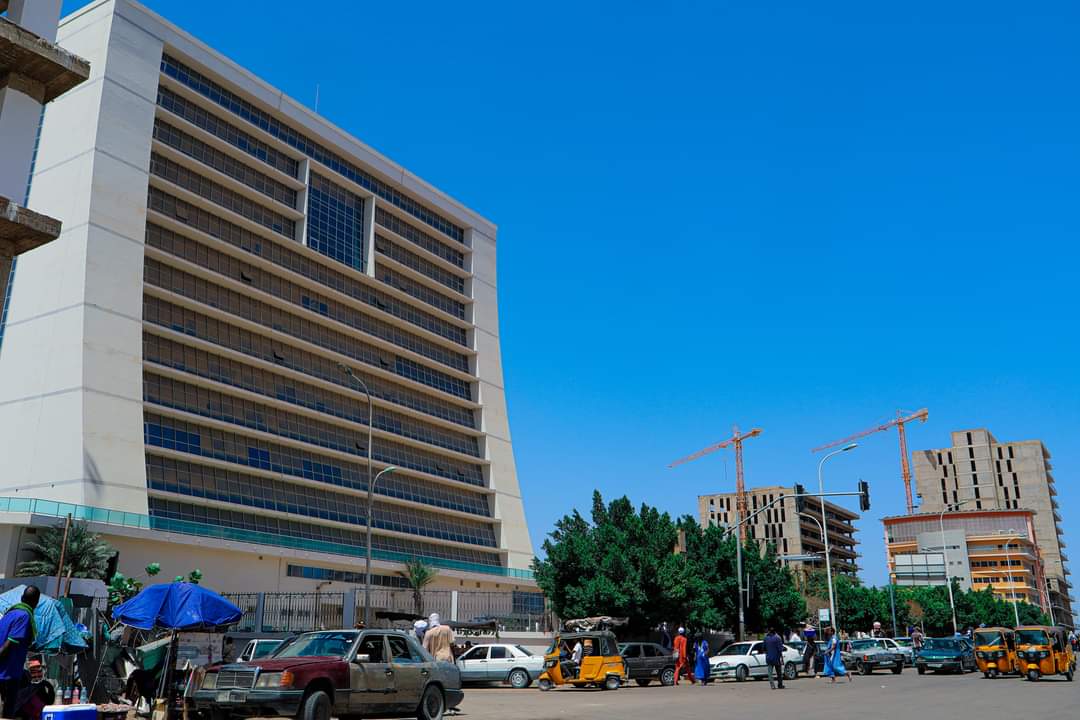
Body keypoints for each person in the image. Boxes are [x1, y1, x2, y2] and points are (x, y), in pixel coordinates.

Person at [0, 585, 40, 718]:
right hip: (8, 673)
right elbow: (9, 645)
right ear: (36, 602)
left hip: (6, 671)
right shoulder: (24, 616)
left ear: (22, 598)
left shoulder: (9, 614)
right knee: (7, 712)